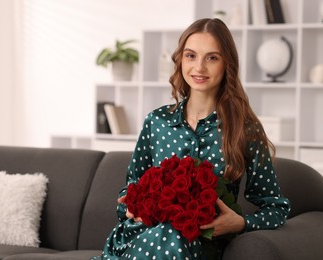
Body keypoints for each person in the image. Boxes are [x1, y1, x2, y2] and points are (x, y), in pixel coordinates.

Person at [93, 18, 290, 260]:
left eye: (212, 58)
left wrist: (239, 223)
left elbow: (276, 208)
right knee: (165, 236)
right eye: (191, 56)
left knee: (172, 238)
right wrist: (132, 209)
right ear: (180, 60)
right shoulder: (157, 122)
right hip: (141, 238)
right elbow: (129, 191)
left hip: (198, 246)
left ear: (227, 64)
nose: (199, 68)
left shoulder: (244, 130)